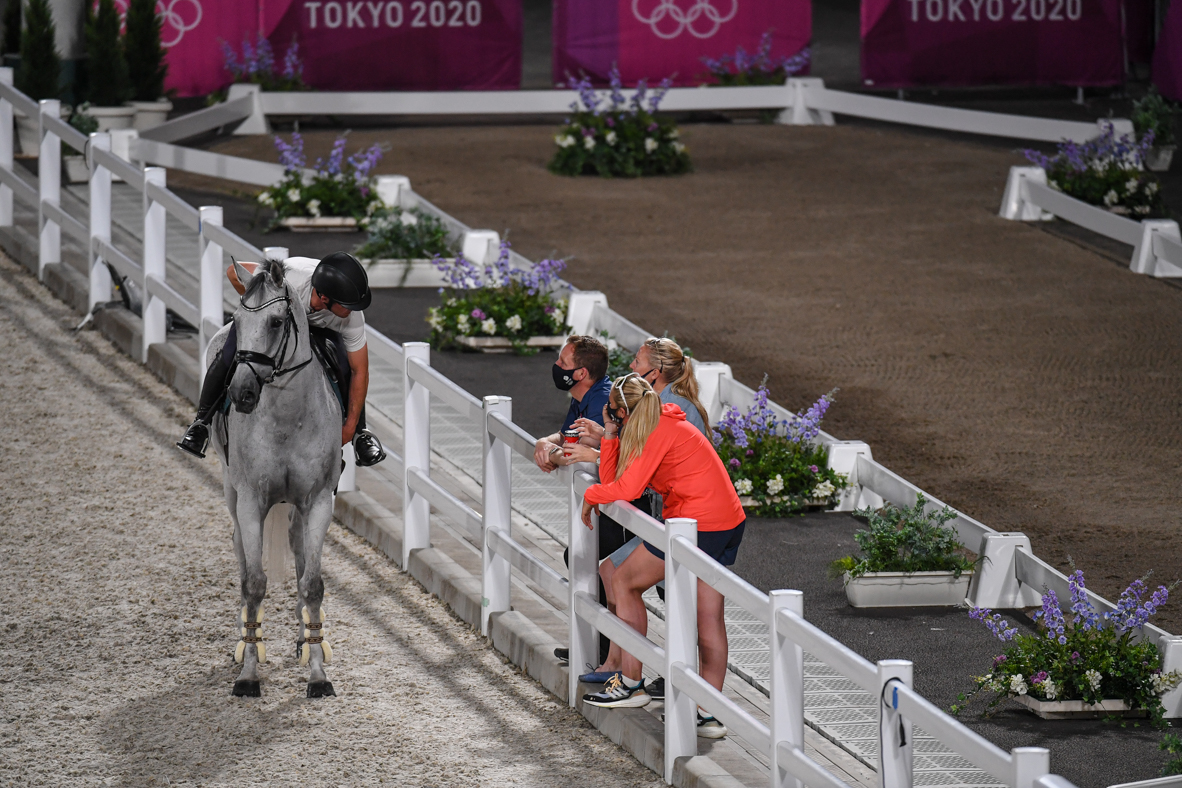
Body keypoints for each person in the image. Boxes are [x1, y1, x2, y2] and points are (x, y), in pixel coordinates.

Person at [579, 374, 744, 740]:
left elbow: (626, 488)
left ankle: (632, 682)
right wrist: (608, 436)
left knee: (619, 576)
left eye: (612, 414)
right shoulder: (658, 421)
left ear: (621, 411)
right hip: (724, 520)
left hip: (698, 523)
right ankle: (707, 712)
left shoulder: (653, 431)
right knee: (709, 618)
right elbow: (617, 478)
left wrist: (592, 496)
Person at [576, 337, 711, 686]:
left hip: (684, 520)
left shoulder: (669, 409)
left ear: (658, 371)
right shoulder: (659, 404)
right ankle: (616, 663)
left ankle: (662, 676)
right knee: (615, 572)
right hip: (666, 519)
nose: (631, 368)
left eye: (637, 362)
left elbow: (632, 474)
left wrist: (598, 467)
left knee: (677, 598)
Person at [176, 251, 386, 467]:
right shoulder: (291, 279)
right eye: (347, 305)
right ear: (324, 298)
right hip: (277, 317)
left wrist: (349, 429)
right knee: (230, 352)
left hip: (323, 329)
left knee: (345, 363)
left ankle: (362, 435)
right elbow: (233, 271)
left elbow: (361, 371)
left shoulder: (351, 318)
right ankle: (201, 423)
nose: (352, 311)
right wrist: (257, 308)